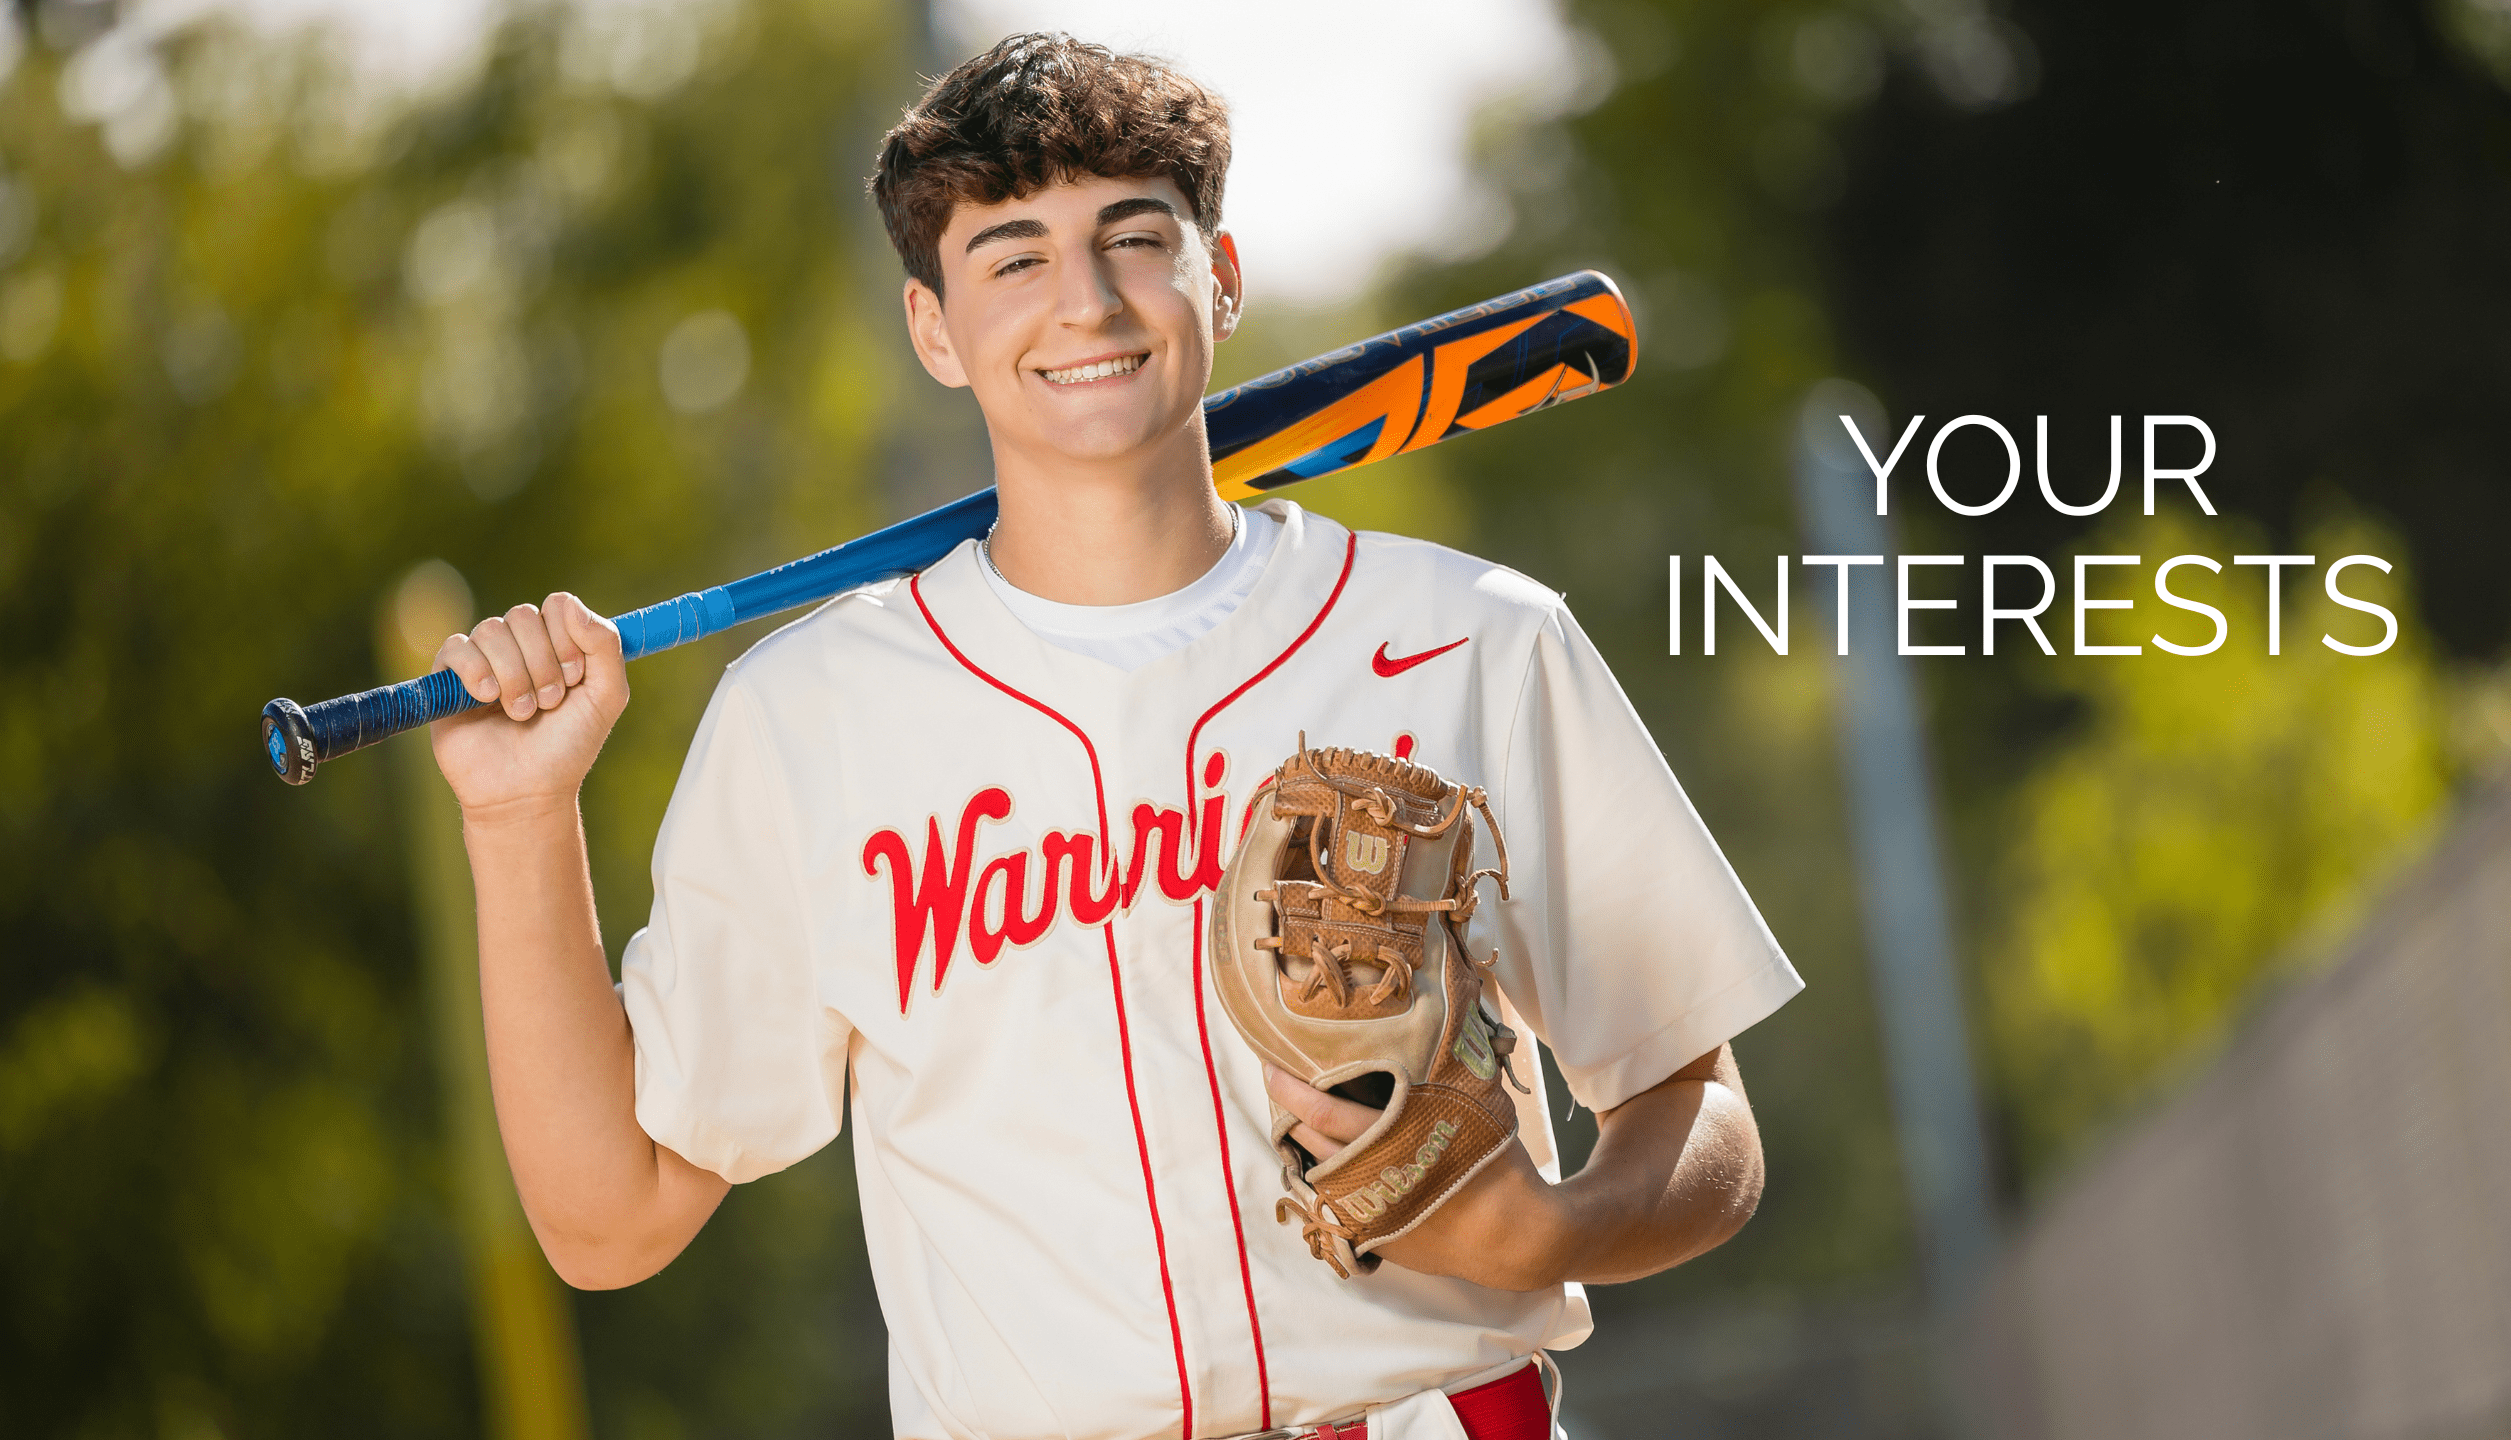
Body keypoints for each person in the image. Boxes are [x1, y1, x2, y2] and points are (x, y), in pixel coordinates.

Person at [427, 32, 1800, 1440]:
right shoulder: (811, 720)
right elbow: (613, 1221)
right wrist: (519, 824)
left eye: (1134, 238)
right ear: (935, 329)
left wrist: (1545, 1230)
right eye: (1014, 258)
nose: (1083, 302)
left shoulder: (1472, 639)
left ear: (1223, 276)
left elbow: (1698, 1109)